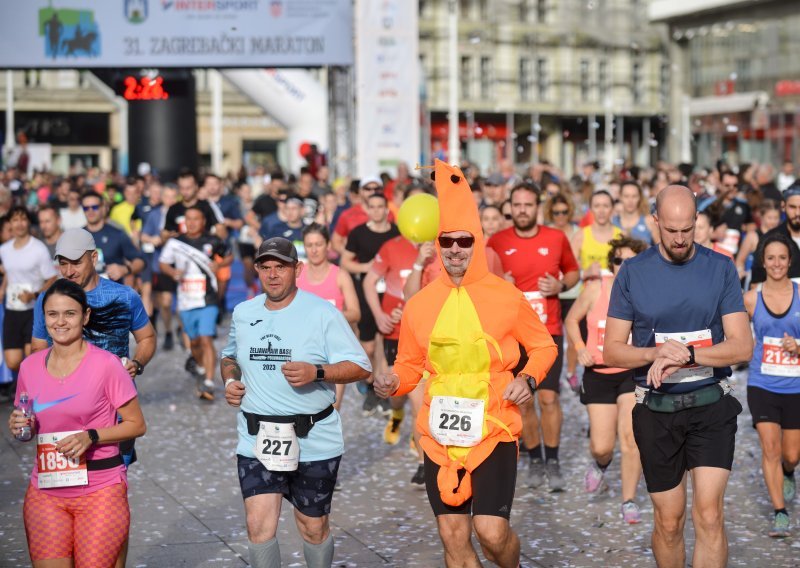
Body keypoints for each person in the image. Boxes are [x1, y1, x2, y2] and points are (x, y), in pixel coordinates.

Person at [374, 160, 557, 568]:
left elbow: (544, 347)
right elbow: (409, 364)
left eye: (464, 240)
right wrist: (392, 383)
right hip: (440, 433)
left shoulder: (506, 295)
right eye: (448, 242)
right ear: (438, 246)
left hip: (493, 426)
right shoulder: (420, 304)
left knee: (491, 533)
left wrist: (527, 378)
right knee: (453, 537)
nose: (455, 249)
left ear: (476, 244)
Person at [603, 185, 753, 568]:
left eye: (688, 229)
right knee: (669, 523)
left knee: (709, 515)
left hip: (710, 407)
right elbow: (613, 349)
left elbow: (742, 346)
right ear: (655, 221)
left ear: (697, 222)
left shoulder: (720, 267)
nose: (681, 238)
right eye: (671, 230)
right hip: (656, 409)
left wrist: (688, 355)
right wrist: (655, 353)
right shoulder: (633, 273)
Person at [220, 237, 371, 568]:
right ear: (257, 270)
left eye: (281, 267)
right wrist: (230, 381)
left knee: (313, 528)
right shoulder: (244, 313)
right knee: (258, 525)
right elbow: (229, 356)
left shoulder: (322, 313)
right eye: (266, 267)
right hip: (256, 437)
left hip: (314, 436)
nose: (273, 275)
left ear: (297, 269)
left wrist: (317, 372)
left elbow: (361, 366)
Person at [8, 279, 147, 568]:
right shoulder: (29, 367)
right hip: (46, 490)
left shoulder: (107, 365)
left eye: (69, 314)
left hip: (100, 489)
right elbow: (30, 426)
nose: (60, 322)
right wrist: (22, 426)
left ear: (85, 316)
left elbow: (136, 424)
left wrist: (92, 436)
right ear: (43, 317)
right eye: (52, 314)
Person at [487, 182, 580, 492]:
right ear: (510, 207)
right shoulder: (496, 242)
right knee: (523, 401)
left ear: (537, 207)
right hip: (512, 336)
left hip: (547, 331)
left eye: (528, 205)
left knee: (549, 397)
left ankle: (552, 458)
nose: (523, 210)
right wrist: (501, 282)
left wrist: (560, 287)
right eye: (518, 205)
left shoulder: (556, 238)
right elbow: (482, 282)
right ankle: (535, 459)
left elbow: (572, 272)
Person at [565, 235, 648, 523]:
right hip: (598, 375)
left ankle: (629, 501)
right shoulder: (595, 288)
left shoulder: (645, 291)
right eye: (618, 260)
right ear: (611, 263)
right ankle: (601, 465)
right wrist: (579, 349)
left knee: (630, 438)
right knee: (601, 446)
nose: (623, 266)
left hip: (629, 373)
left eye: (630, 261)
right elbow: (571, 320)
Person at [743, 232, 800, 538]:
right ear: (762, 263)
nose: (776, 264)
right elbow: (734, 333)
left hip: (796, 386)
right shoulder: (751, 298)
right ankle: (780, 510)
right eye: (770, 258)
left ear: (790, 260)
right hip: (762, 383)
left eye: (782, 258)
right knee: (770, 448)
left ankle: (789, 472)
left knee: (791, 455)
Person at [160, 206, 233, 402]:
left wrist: (220, 264)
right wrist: (172, 272)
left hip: (208, 298)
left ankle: (209, 381)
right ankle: (200, 366)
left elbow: (229, 254)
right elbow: (163, 262)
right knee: (193, 342)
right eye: (188, 219)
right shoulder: (175, 243)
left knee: (206, 338)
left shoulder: (212, 240)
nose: (192, 222)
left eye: (196, 219)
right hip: (185, 300)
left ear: (203, 222)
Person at [340, 191, 399, 415]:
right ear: (367, 209)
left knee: (385, 344)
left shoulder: (395, 233)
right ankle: (370, 384)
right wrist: (371, 269)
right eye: (371, 207)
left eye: (380, 207)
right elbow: (346, 262)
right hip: (365, 291)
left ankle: (382, 391)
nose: (376, 211)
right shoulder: (358, 233)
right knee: (369, 346)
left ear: (387, 210)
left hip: (391, 293)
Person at [297, 223, 360, 410]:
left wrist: (328, 316)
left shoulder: (340, 276)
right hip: (303, 349)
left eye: (318, 244)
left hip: (335, 352)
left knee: (331, 410)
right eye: (309, 245)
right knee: (303, 410)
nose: (314, 250)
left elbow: (356, 313)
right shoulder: (297, 276)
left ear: (328, 245)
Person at [0, 206, 58, 376]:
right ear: (10, 223)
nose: (19, 224)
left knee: (32, 358)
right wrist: (2, 288)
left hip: (33, 310)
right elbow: (10, 274)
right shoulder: (4, 249)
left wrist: (33, 294)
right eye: (15, 220)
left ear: (28, 222)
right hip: (12, 310)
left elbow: (52, 278)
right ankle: (27, 385)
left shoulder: (38, 248)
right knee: (12, 361)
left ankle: (31, 395)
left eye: (23, 219)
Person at [81, 191, 145, 283]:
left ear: (103, 208)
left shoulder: (117, 234)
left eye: (94, 207)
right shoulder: (77, 236)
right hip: (85, 293)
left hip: (113, 293)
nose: (90, 211)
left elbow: (140, 261)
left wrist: (125, 269)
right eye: (86, 208)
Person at [735, 199, 781, 283]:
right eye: (770, 218)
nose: (773, 221)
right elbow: (740, 260)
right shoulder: (753, 236)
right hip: (756, 283)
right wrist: (740, 271)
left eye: (776, 218)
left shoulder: (781, 236)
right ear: (761, 217)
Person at [612, 180, 657, 245]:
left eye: (634, 196)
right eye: (626, 196)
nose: (630, 200)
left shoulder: (649, 221)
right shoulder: (613, 221)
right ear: (620, 197)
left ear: (639, 197)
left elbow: (660, 250)